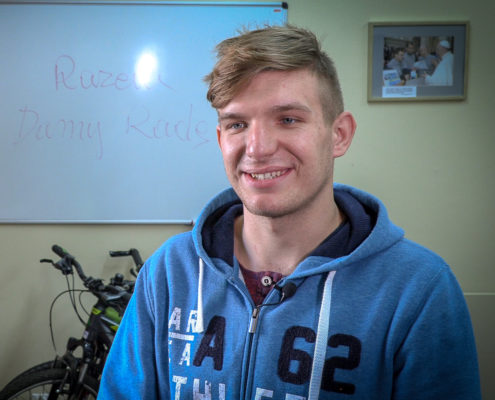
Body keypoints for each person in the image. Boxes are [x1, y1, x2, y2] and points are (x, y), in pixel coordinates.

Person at [98, 25, 481, 399]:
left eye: (288, 119)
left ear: (339, 135)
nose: (257, 147)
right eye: (237, 124)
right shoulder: (169, 272)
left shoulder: (417, 289)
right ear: (220, 139)